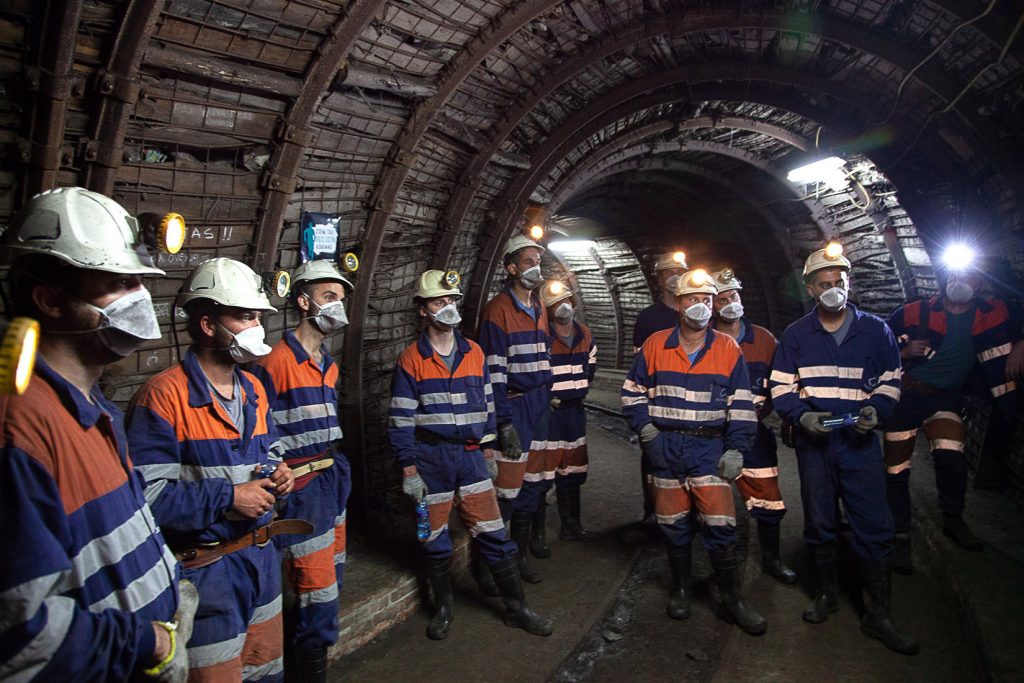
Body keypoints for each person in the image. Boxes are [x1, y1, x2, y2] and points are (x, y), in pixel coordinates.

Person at [0, 187, 195, 681]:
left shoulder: (92, 408)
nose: (140, 299)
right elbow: (20, 634)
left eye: (139, 281)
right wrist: (147, 642)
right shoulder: (18, 424)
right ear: (50, 300)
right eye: (118, 283)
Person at [127, 257, 298, 681]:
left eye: (258, 316)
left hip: (261, 559)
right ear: (207, 325)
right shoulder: (163, 396)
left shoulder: (254, 388)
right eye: (244, 316)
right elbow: (146, 499)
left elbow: (270, 451)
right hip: (206, 572)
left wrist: (281, 475)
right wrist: (228, 498)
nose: (257, 327)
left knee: (267, 671)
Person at [388, 269, 554, 640]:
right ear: (423, 310)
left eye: (451, 301)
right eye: (438, 301)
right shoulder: (411, 359)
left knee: (494, 532)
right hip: (431, 460)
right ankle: (444, 608)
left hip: (470, 458)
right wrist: (408, 469)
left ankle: (518, 607)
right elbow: (400, 420)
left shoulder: (474, 352)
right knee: (433, 539)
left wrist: (490, 450)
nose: (447, 307)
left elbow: (491, 404)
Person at [768, 245, 917, 655]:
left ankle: (879, 614)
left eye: (840, 282)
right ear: (811, 289)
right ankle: (826, 595)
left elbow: (891, 379)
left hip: (858, 440)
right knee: (820, 521)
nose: (834, 289)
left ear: (848, 284)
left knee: (874, 522)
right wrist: (801, 416)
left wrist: (877, 407)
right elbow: (779, 385)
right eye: (825, 284)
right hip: (816, 443)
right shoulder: (797, 335)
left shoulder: (875, 330)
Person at [622, 269, 766, 636]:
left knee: (721, 525)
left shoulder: (727, 348)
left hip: (708, 447)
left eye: (706, 300)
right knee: (673, 525)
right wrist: (645, 427)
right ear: (679, 303)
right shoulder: (655, 344)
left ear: (714, 305)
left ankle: (732, 598)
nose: (699, 306)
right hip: (665, 446)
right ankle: (682, 588)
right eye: (692, 299)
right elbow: (632, 391)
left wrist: (736, 448)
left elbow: (741, 406)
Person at [249, 260, 352, 681]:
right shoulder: (274, 360)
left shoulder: (327, 362)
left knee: (331, 582)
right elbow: (258, 431)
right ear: (303, 300)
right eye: (330, 298)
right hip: (300, 487)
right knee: (315, 592)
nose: (338, 308)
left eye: (341, 300)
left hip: (330, 478)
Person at [883, 257, 1018, 573]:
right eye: (955, 273)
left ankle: (953, 519)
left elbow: (1020, 313)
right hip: (906, 395)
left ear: (981, 283)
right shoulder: (917, 311)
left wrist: (1022, 343)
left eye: (969, 274)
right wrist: (902, 352)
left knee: (951, 457)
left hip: (945, 398)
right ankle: (900, 533)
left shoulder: (993, 313)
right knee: (896, 468)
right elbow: (875, 340)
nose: (960, 280)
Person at [710, 268, 796, 584]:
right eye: (722, 299)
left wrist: (766, 416)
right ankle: (716, 566)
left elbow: (781, 385)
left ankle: (772, 560)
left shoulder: (764, 340)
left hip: (754, 435)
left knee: (767, 497)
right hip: (712, 434)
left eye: (733, 296)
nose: (730, 303)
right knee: (709, 500)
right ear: (711, 305)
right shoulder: (706, 340)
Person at [478, 235, 552, 584]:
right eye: (527, 261)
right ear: (510, 268)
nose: (536, 267)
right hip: (516, 405)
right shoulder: (498, 310)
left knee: (532, 484)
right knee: (506, 488)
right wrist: (503, 422)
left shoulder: (538, 306)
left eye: (538, 260)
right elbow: (493, 371)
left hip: (538, 404)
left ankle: (519, 557)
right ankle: (492, 567)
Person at [525, 280, 601, 559]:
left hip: (574, 412)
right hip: (549, 414)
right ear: (546, 309)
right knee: (543, 474)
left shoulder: (585, 334)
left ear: (574, 302)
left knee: (573, 470)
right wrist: (546, 398)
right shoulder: (539, 336)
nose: (563, 307)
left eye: (566, 300)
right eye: (556, 303)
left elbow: (590, 369)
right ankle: (538, 536)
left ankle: (572, 526)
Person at [631, 251, 689, 527]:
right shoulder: (648, 319)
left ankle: (689, 514)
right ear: (659, 278)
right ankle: (652, 511)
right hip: (658, 405)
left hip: (691, 405)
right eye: (669, 272)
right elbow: (639, 370)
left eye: (680, 271)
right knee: (653, 463)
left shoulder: (697, 313)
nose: (675, 277)